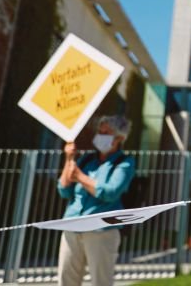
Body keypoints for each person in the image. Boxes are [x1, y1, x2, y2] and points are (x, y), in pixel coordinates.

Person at [56, 115, 135, 286]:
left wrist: (80, 177)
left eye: (106, 132)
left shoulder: (124, 163)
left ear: (119, 138)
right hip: (72, 225)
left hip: (101, 230)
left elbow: (110, 192)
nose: (101, 135)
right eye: (100, 131)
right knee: (66, 279)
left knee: (101, 281)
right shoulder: (86, 160)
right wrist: (69, 159)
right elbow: (64, 190)